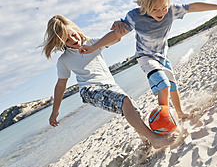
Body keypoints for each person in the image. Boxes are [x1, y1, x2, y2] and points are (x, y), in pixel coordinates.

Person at [80, 0, 217, 119]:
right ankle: (165, 119)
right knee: (164, 84)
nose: (161, 12)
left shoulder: (171, 10)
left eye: (164, 6)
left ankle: (180, 112)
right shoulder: (135, 17)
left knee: (173, 86)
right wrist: (94, 47)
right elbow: (116, 35)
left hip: (163, 56)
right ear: (144, 5)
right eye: (155, 9)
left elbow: (194, 7)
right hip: (146, 58)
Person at [40, 14, 178, 149]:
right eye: (67, 39)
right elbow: (60, 85)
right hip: (89, 90)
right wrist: (55, 111)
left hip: (111, 86)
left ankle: (146, 144)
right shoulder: (64, 60)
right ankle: (154, 139)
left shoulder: (93, 43)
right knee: (124, 101)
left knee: (133, 110)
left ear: (77, 31)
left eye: (73, 35)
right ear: (61, 43)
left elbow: (115, 38)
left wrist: (118, 27)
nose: (73, 39)